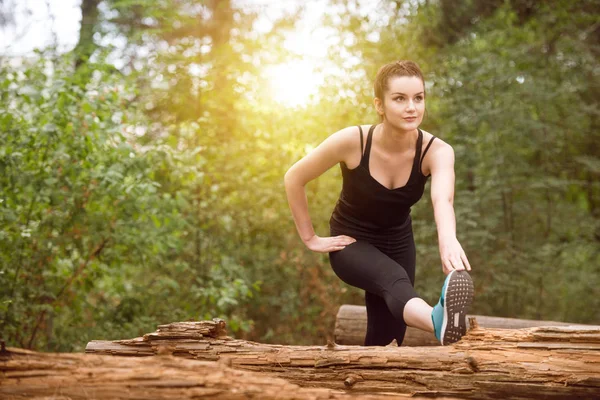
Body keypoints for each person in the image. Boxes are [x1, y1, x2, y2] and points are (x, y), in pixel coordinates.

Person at [283, 60, 474, 346]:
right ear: (379, 105)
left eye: (418, 98)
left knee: (387, 339)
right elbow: (294, 177)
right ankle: (438, 320)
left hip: (398, 242)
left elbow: (443, 200)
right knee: (393, 278)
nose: (412, 107)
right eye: (400, 98)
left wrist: (448, 240)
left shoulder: (437, 151)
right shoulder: (353, 141)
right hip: (351, 241)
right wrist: (310, 237)